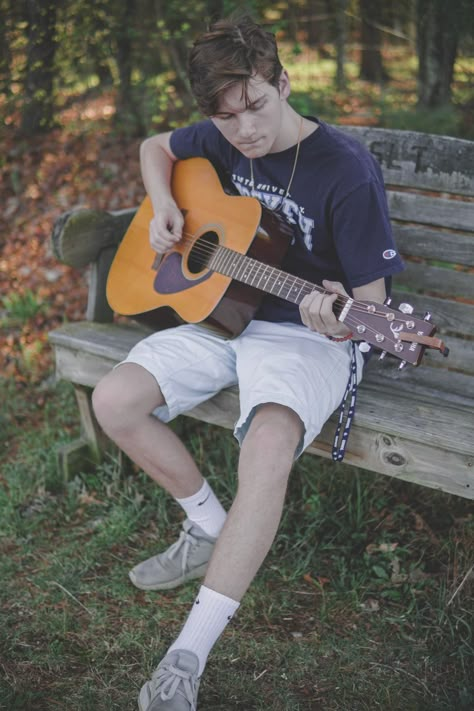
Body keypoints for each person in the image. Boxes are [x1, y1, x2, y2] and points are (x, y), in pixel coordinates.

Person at [92, 15, 404, 711]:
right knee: (113, 400)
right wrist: (167, 204)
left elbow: (373, 308)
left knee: (266, 446)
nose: (244, 132)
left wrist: (336, 311)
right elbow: (153, 146)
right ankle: (206, 524)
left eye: (257, 106)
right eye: (225, 118)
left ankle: (184, 658)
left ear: (283, 83)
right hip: (222, 314)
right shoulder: (215, 135)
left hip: (307, 333)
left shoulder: (347, 171)